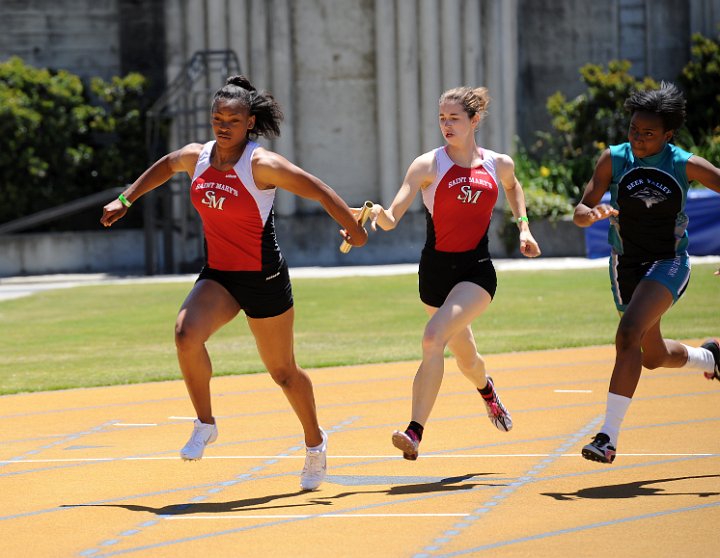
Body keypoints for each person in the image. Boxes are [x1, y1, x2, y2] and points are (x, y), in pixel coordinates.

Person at [100, 75, 368, 489]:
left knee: (283, 372)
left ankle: (315, 444)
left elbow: (319, 190)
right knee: (185, 334)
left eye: (232, 119)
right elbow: (165, 166)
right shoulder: (198, 157)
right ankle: (205, 423)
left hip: (264, 278)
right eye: (217, 117)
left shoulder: (261, 164)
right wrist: (125, 199)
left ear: (249, 123)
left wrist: (355, 229)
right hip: (221, 275)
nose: (223, 125)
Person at [367, 86, 541, 460]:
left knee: (433, 339)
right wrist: (375, 213)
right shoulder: (427, 165)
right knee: (468, 360)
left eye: (454, 118)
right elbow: (392, 218)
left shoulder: (499, 163)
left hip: (475, 272)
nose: (446, 124)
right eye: (442, 118)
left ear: (474, 120)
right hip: (434, 275)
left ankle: (414, 432)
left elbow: (514, 187)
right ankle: (487, 391)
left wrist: (523, 227)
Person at [573, 82, 720, 465]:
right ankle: (711, 358)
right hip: (626, 263)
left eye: (649, 134)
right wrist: (589, 214)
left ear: (668, 135)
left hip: (670, 260)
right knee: (651, 355)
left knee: (627, 336)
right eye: (634, 130)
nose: (638, 139)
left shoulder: (683, 163)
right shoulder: (614, 159)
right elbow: (580, 210)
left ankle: (607, 437)